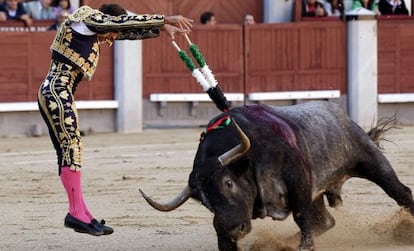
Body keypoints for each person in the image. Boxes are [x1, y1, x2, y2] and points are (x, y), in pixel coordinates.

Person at [37, 3, 192, 236]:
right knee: (72, 148)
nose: (110, 40)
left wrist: (161, 29)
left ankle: (82, 213)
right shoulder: (89, 18)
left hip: (57, 92)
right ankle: (76, 213)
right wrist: (164, 19)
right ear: (107, 20)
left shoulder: (89, 26)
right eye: (111, 35)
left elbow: (125, 31)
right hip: (56, 91)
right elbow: (119, 25)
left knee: (69, 149)